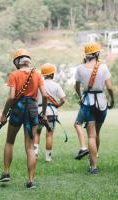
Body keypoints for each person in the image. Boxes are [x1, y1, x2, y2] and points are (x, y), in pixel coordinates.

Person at [0, 48, 47, 189]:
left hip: (17, 109)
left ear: (17, 62)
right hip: (32, 109)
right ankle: (30, 180)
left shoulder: (14, 74)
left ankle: (6, 172)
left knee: (9, 141)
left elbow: (12, 97)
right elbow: (44, 95)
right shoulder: (37, 74)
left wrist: (3, 114)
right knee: (30, 147)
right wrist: (43, 113)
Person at [74, 42, 114, 174]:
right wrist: (112, 100)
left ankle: (93, 166)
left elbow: (77, 86)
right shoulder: (103, 67)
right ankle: (94, 159)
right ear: (97, 53)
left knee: (91, 136)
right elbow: (109, 87)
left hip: (88, 103)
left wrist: (80, 96)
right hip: (102, 103)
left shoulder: (80, 68)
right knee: (97, 133)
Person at [34, 63, 66, 161]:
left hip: (39, 110)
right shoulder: (56, 85)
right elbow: (63, 99)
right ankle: (48, 158)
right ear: (52, 74)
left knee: (37, 133)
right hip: (52, 112)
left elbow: (35, 98)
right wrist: (57, 106)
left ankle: (35, 154)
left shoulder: (39, 84)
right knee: (49, 134)